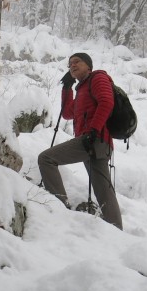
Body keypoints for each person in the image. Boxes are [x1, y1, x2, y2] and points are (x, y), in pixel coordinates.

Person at [38, 52, 123, 229]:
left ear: (88, 66)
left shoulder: (98, 78)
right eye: (70, 64)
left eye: (77, 62)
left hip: (94, 138)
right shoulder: (82, 88)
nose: (72, 65)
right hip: (95, 142)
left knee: (46, 159)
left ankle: (59, 209)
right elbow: (69, 113)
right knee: (104, 191)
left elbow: (107, 102)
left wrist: (93, 130)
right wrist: (67, 88)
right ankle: (117, 231)